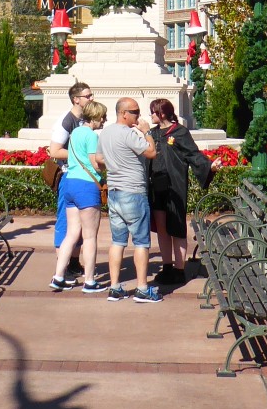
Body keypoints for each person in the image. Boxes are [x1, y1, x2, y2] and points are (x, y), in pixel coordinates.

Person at [99, 97, 159, 302]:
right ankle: (142, 289)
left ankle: (115, 287)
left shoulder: (106, 132)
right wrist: (147, 132)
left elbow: (98, 159)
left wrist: (115, 161)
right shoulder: (128, 134)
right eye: (135, 112)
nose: (138, 116)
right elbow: (151, 152)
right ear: (123, 113)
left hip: (114, 192)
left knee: (118, 241)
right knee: (141, 242)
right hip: (133, 192)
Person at [50, 100, 108, 293]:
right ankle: (89, 281)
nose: (104, 121)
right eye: (102, 117)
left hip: (70, 182)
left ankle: (58, 276)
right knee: (90, 236)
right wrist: (108, 164)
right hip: (87, 185)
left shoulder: (75, 132)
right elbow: (95, 163)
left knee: (71, 234)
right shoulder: (91, 136)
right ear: (95, 117)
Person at [146, 97, 202, 285]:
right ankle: (167, 266)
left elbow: (193, 154)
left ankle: (179, 269)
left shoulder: (179, 132)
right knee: (161, 228)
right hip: (156, 185)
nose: (151, 115)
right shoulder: (152, 133)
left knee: (177, 226)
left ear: (162, 113)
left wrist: (209, 166)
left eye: (153, 112)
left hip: (175, 185)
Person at [48, 81, 94, 255]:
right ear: (76, 99)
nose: (91, 98)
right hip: (68, 175)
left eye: (91, 95)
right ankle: (62, 263)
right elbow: (55, 150)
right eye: (87, 96)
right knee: (65, 221)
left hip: (80, 175)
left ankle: (73, 261)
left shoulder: (84, 120)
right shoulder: (66, 121)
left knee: (80, 222)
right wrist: (81, 155)